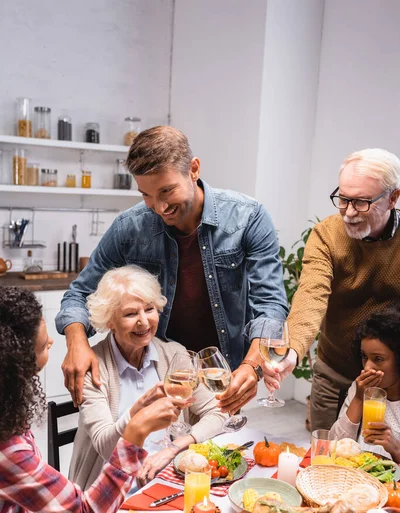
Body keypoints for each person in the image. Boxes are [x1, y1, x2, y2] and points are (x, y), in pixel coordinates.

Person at [55, 126, 288, 414]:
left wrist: (252, 367)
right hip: (155, 379)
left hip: (222, 375)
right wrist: (77, 342)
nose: (159, 206)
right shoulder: (129, 228)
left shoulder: (248, 217)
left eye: (167, 191)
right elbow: (78, 295)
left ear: (194, 169)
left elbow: (270, 304)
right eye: (146, 195)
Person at [0, 286, 180, 513]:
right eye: (44, 346)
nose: (53, 343)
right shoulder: (8, 450)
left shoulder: (6, 409)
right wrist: (134, 435)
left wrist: (133, 415)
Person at [262, 148, 400, 429]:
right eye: (344, 199)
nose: (349, 213)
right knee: (323, 459)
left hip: (392, 382)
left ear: (393, 198)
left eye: (361, 202)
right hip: (334, 373)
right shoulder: (326, 235)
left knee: (381, 465)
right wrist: (293, 351)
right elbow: (311, 296)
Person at [68, 265, 226, 494]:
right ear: (110, 320)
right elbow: (105, 446)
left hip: (167, 480)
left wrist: (174, 448)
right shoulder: (93, 365)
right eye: (131, 314)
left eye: (149, 309)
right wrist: (138, 410)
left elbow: (219, 411)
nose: (144, 322)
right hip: (108, 493)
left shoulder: (175, 354)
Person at [330, 307, 400, 462]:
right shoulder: (360, 388)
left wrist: (396, 448)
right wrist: (358, 398)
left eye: (378, 359)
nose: (367, 367)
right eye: (364, 356)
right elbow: (334, 446)